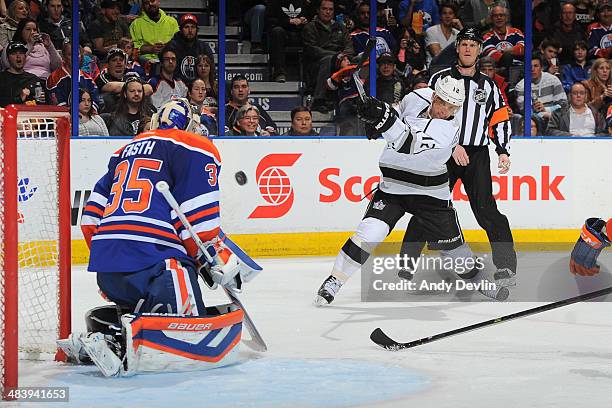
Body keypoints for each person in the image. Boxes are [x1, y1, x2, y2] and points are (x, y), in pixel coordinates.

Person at [58, 99, 255, 377]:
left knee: (147, 305)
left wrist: (113, 256)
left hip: (108, 268)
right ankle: (122, 345)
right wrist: (215, 260)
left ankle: (106, 337)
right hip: (157, 267)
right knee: (189, 318)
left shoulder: (124, 150)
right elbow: (198, 222)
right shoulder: (193, 146)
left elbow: (90, 218)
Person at [315, 76, 508, 305]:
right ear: (434, 95)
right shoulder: (415, 97)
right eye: (442, 102)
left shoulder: (447, 130)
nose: (444, 110)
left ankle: (480, 280)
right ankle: (334, 280)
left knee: (454, 252)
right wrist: (377, 113)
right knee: (369, 234)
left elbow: (407, 143)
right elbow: (396, 114)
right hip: (392, 189)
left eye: (452, 107)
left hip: (431, 195)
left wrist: (383, 120)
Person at [413, 27, 517, 288]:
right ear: (457, 48)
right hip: (442, 153)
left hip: (477, 155)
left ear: (479, 50)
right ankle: (406, 266)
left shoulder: (489, 85)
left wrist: (502, 150)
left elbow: (500, 119)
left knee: (486, 211)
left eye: (473, 44)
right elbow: (422, 113)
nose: (468, 49)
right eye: (464, 44)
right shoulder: (438, 78)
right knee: (425, 206)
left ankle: (506, 266)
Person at [266, 0, 313, 82]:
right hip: (283, 33)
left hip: (300, 33)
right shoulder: (274, 3)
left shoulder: (305, 3)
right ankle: (279, 73)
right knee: (277, 31)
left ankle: (310, 77)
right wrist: (288, 21)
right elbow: (269, 21)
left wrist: (305, 20)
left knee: (311, 32)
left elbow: (312, 18)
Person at [516, 54, 567, 123]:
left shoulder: (553, 80)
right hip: (534, 123)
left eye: (536, 66)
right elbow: (525, 111)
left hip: (553, 119)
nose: (532, 69)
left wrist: (546, 109)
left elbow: (563, 104)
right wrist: (540, 113)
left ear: (541, 68)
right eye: (529, 66)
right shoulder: (521, 86)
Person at [168, 13, 214, 83]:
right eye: (186, 27)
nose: (190, 30)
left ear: (196, 30)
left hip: (199, 87)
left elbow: (211, 70)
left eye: (193, 27)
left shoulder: (204, 47)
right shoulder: (172, 46)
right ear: (180, 29)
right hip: (177, 86)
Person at [0, 40, 46, 107]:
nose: (18, 56)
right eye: (14, 53)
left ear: (25, 56)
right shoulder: (1, 78)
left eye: (21, 53)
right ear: (7, 58)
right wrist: (19, 98)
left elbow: (41, 105)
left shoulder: (34, 79)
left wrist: (38, 101)